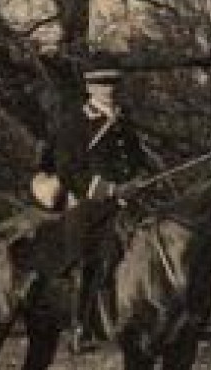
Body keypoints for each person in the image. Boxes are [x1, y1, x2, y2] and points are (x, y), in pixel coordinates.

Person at [28, 57, 164, 351]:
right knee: (95, 253)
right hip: (90, 201)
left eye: (114, 83)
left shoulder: (123, 120)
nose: (109, 90)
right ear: (89, 87)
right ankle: (81, 324)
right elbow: (68, 168)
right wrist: (112, 190)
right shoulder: (76, 122)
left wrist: (145, 178)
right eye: (102, 84)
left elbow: (136, 158)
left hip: (130, 199)